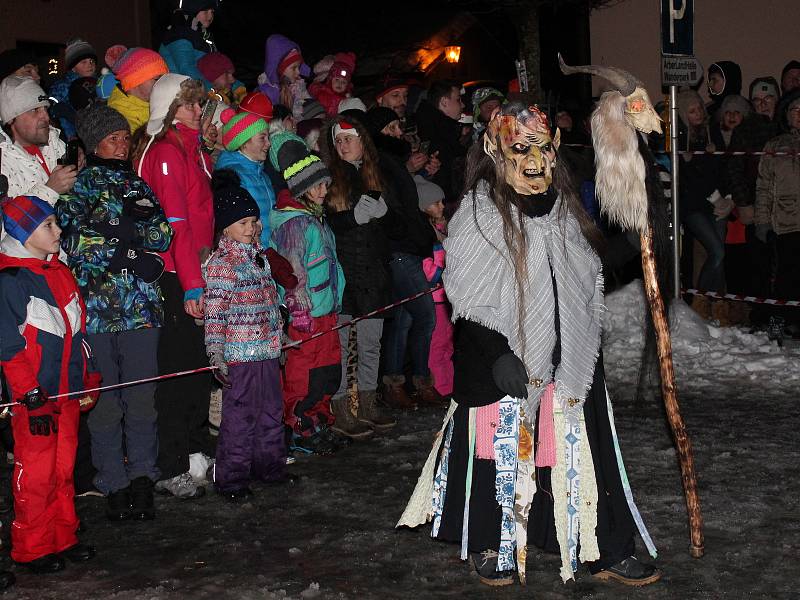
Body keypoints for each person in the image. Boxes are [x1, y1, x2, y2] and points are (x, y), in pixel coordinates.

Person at [398, 103, 660, 587]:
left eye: (542, 147)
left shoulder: (562, 208)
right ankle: (494, 541)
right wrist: (497, 352)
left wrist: (639, 229)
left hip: (571, 356)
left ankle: (601, 545)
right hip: (501, 359)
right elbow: (469, 297)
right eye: (521, 147)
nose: (534, 159)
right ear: (496, 150)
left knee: (586, 454)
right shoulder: (479, 213)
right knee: (501, 455)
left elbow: (586, 273)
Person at [56, 103, 173, 521]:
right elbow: (70, 240)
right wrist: (124, 245)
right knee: (103, 401)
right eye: (112, 138)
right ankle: (113, 481)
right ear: (94, 143)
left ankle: (142, 475)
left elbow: (162, 235)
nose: (122, 145)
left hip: (141, 309)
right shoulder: (81, 185)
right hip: (97, 310)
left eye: (125, 137)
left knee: (142, 398)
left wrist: (128, 230)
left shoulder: (137, 183)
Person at [0, 194, 99, 574]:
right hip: (35, 400)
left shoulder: (59, 272)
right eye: (48, 226)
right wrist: (29, 394)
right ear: (24, 234)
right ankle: (32, 547)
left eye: (56, 223)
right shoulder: (11, 281)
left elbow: (79, 332)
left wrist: (88, 377)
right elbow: (8, 347)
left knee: (63, 470)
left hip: (67, 394)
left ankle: (63, 536)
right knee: (37, 474)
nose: (59, 231)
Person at [132, 74, 214, 499]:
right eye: (189, 104)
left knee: (198, 373)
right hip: (173, 277)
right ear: (169, 109)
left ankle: (197, 451)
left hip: (191, 271)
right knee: (178, 375)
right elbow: (176, 227)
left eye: (199, 104)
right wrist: (193, 286)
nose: (199, 111)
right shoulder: (165, 152)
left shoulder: (191, 149)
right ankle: (171, 463)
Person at [205, 181, 291, 501]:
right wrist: (215, 350)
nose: (252, 228)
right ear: (225, 228)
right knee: (240, 418)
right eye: (243, 223)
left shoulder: (259, 259)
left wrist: (278, 333)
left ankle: (269, 467)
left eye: (254, 221)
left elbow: (270, 301)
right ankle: (231, 478)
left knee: (271, 412)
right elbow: (215, 311)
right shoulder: (222, 264)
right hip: (239, 356)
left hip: (266, 351)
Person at [322, 116, 403, 436]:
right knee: (342, 345)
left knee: (371, 343)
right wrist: (350, 219)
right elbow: (326, 221)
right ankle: (342, 407)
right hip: (344, 273)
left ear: (362, 141)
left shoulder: (377, 173)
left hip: (374, 273)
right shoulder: (331, 176)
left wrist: (386, 216)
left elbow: (400, 226)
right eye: (338, 140)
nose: (343, 145)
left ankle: (368, 402)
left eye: (349, 139)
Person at [268, 132, 344, 454]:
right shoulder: (294, 224)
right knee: (305, 374)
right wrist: (299, 310)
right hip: (307, 317)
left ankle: (321, 420)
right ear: (301, 189)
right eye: (318, 186)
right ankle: (301, 425)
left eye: (325, 184)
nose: (324, 191)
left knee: (327, 371)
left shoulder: (315, 218)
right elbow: (293, 272)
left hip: (326, 311)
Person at [727, 77, 781, 329]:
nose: (763, 105)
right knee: (758, 264)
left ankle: (783, 317)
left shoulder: (785, 126)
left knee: (783, 265)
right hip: (756, 206)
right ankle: (761, 316)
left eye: (768, 99)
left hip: (786, 208)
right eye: (758, 100)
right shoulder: (745, 130)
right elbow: (735, 169)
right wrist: (744, 203)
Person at [676, 89, 726, 314]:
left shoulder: (712, 131)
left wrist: (726, 198)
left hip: (716, 202)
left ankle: (715, 305)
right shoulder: (680, 135)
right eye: (691, 111)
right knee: (717, 251)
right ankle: (699, 301)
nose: (697, 114)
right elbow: (690, 178)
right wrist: (688, 161)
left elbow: (723, 168)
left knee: (718, 256)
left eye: (699, 109)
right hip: (693, 205)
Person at [755, 89, 800, 335]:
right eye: (795, 110)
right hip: (786, 222)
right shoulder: (775, 145)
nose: (799, 115)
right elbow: (763, 186)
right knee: (785, 276)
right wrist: (762, 221)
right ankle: (779, 322)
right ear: (786, 114)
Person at [0, 76, 76, 218]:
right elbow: (8, 228)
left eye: (45, 109)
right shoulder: (4, 162)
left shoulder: (54, 140)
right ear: (11, 119)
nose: (46, 117)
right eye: (34, 110)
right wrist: (50, 190)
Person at [215, 108, 275, 245]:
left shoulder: (262, 175)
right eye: (262, 138)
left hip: (268, 250)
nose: (268, 143)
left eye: (268, 137)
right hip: (249, 254)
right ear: (244, 143)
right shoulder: (232, 176)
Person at [416, 176, 453, 398]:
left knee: (448, 345)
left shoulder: (445, 229)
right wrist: (444, 267)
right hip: (435, 299)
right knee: (437, 346)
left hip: (449, 299)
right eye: (436, 203)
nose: (441, 206)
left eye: (442, 202)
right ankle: (441, 388)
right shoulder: (426, 236)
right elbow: (427, 271)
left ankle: (450, 386)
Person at [415, 79, 468, 203]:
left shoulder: (443, 129)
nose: (463, 105)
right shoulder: (437, 132)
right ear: (444, 102)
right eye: (458, 99)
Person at [107, 47, 170, 133]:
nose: (164, 84)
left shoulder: (158, 101)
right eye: (157, 79)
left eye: (165, 78)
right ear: (135, 81)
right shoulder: (121, 122)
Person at [48, 38, 97, 139]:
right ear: (73, 67)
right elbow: (53, 107)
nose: (89, 65)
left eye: (92, 61)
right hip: (72, 134)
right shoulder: (63, 86)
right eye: (83, 62)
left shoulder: (98, 84)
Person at [159, 0, 218, 82]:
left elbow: (218, 70)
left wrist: (237, 89)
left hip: (197, 90)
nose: (210, 16)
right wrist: (212, 91)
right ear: (193, 11)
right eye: (205, 11)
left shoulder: (202, 35)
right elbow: (187, 70)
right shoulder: (179, 34)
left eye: (212, 11)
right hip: (179, 91)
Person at [258, 34, 311, 122]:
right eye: (294, 68)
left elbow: (309, 104)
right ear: (280, 70)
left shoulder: (297, 86)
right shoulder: (267, 92)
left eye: (299, 67)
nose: (298, 72)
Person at [309, 52, 356, 117]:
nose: (340, 83)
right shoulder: (321, 92)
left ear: (347, 86)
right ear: (330, 79)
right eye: (337, 80)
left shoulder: (346, 100)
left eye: (344, 82)